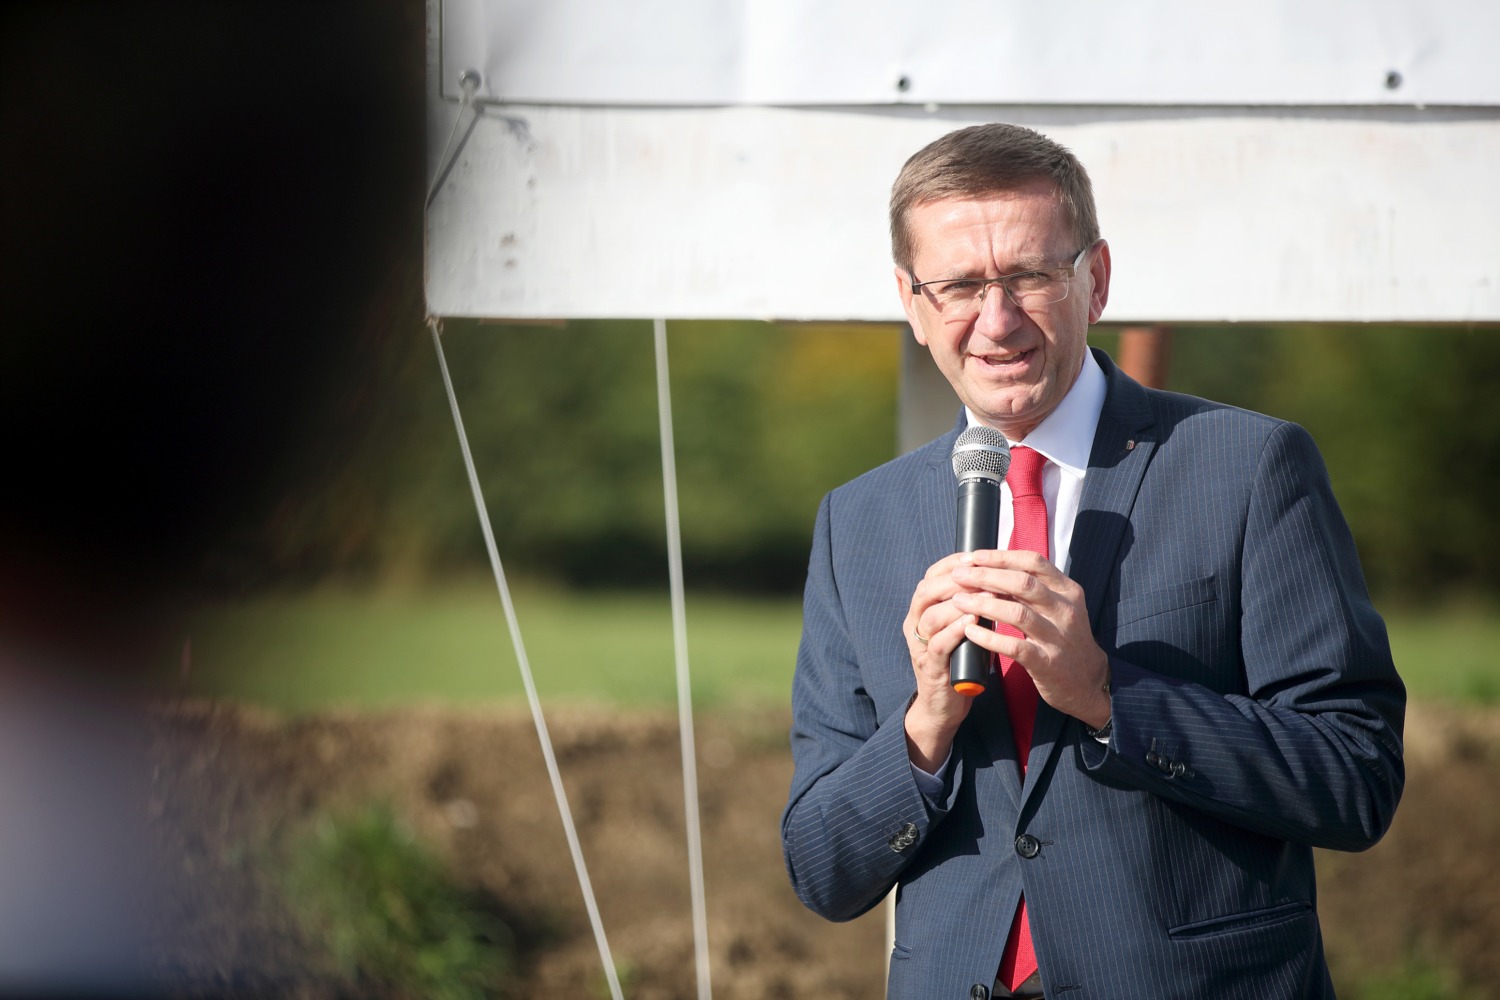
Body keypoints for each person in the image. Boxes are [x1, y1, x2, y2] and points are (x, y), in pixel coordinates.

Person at [780, 123, 1405, 1000]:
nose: (995, 321)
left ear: (1095, 280)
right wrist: (922, 729)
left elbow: (1356, 776)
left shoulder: (1249, 467)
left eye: (1030, 276)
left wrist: (1111, 697)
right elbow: (822, 867)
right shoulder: (860, 521)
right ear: (912, 303)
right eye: (959, 285)